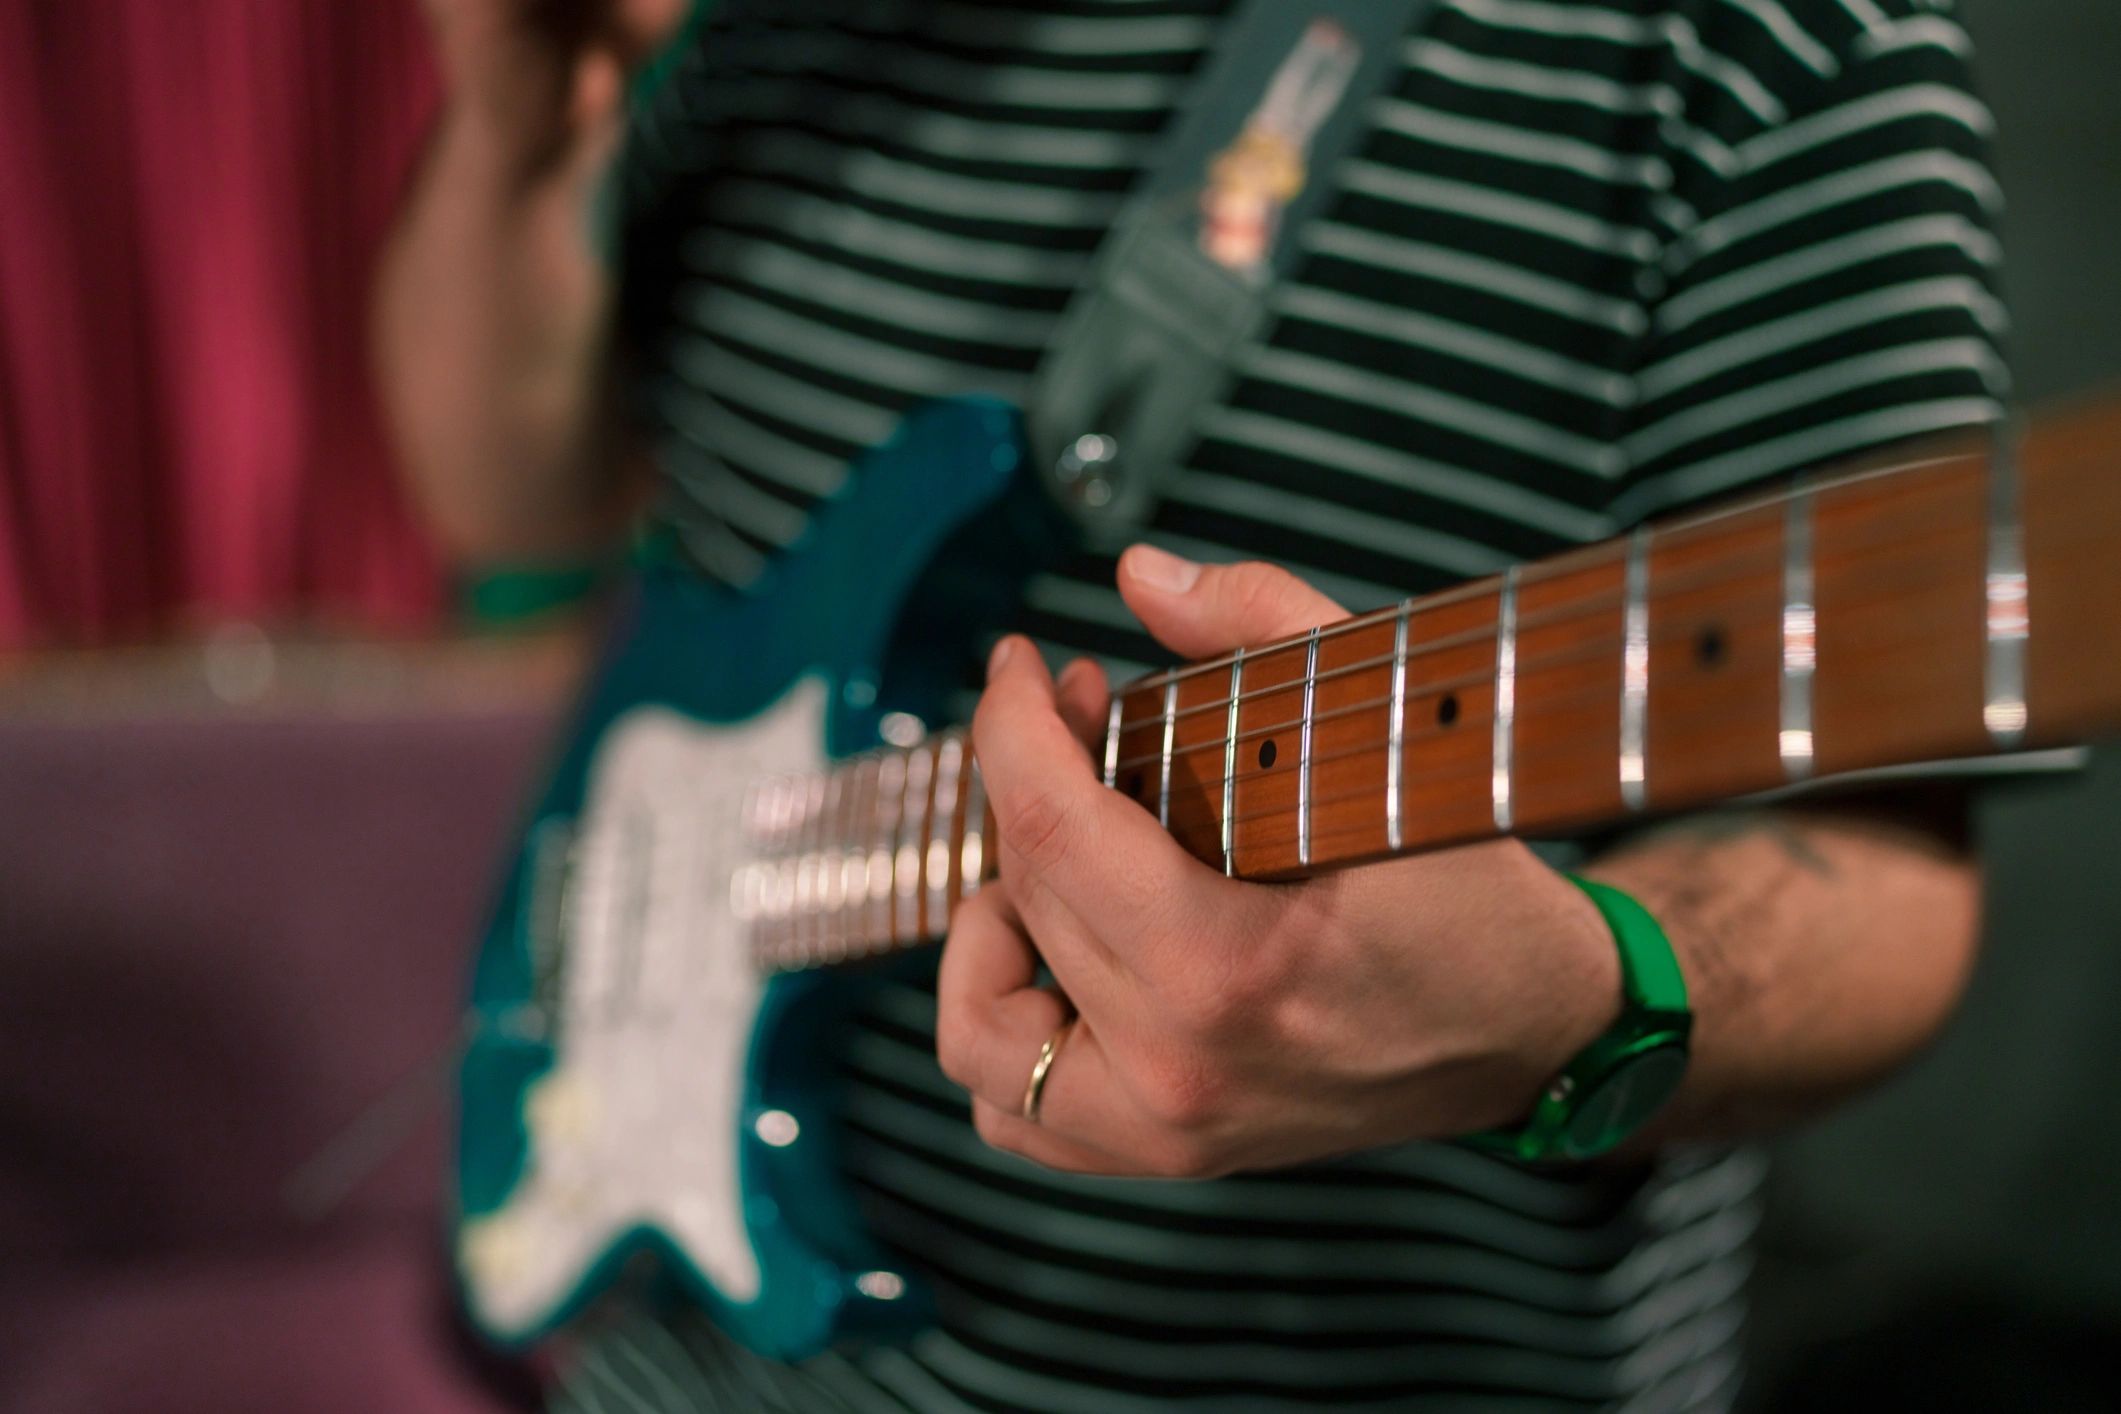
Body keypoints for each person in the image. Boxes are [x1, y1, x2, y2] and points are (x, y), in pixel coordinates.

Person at [376, 1, 2006, 1407]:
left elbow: (1884, 867)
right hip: (692, 1367)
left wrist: (1573, 1011)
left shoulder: (1759, 35)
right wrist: (517, 138)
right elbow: (511, 497)